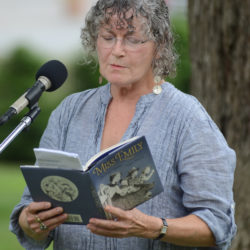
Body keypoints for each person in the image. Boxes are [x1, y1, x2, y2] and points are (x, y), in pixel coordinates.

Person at [10, 0, 237, 249]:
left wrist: (152, 227)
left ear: (159, 46)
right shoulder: (69, 111)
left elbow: (218, 224)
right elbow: (31, 207)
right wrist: (30, 221)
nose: (117, 50)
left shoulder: (187, 118)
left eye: (132, 39)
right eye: (108, 37)